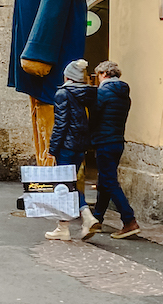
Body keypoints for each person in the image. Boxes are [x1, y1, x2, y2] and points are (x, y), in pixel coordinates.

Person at [43, 59, 101, 242]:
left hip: (66, 146)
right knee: (71, 183)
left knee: (65, 185)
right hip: (80, 145)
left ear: (68, 76)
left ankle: (81, 218)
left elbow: (61, 123)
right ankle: (66, 225)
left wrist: (53, 148)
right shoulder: (87, 94)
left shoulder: (63, 93)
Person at [90, 61, 139, 239]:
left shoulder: (103, 92)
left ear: (103, 73)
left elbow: (94, 115)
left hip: (104, 141)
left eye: (97, 76)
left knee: (110, 182)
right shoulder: (124, 94)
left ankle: (129, 220)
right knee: (104, 181)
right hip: (118, 140)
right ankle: (97, 219)